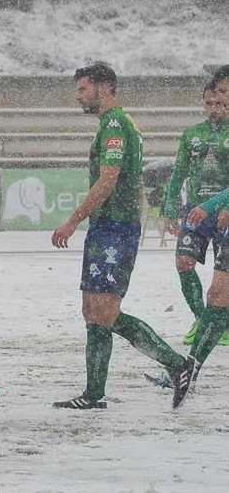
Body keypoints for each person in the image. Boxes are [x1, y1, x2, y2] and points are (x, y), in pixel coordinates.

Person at [51, 62, 196, 410]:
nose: (79, 97)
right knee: (92, 309)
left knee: (104, 309)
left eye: (84, 89)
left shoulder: (115, 124)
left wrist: (72, 220)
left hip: (114, 229)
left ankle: (177, 365)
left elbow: (109, 178)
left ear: (105, 87)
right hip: (109, 227)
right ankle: (94, 393)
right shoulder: (119, 124)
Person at [163, 79, 229, 348]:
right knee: (183, 262)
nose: (213, 108)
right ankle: (202, 319)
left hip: (224, 211)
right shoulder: (192, 134)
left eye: (219, 103)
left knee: (222, 275)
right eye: (208, 103)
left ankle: (220, 321)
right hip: (195, 211)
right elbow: (179, 172)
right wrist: (170, 207)